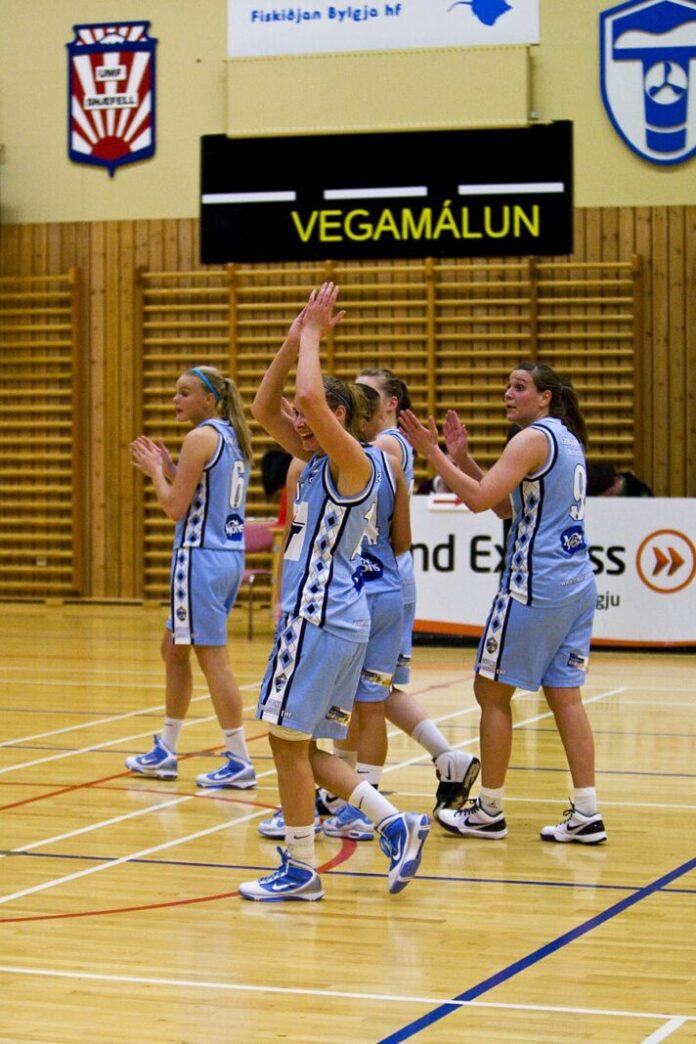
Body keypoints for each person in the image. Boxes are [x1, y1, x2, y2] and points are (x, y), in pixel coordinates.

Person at [239, 283, 430, 902]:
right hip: (330, 616)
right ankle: (391, 822)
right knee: (295, 742)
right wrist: (292, 338)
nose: (298, 421)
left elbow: (306, 396)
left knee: (285, 739)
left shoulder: (358, 462)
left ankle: (302, 867)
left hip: (320, 616)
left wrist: (316, 336)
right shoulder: (319, 459)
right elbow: (265, 405)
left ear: (339, 417)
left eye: (311, 417)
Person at [399, 363, 607, 845]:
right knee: (566, 696)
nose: (507, 393)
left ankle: (488, 809)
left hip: (536, 584)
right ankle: (587, 812)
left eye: (519, 387)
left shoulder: (531, 439)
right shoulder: (566, 439)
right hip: (576, 583)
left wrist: (433, 454)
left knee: (490, 692)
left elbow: (477, 501)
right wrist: (463, 459)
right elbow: (506, 506)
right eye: (508, 386)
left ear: (545, 397)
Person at [125, 365, 257, 790]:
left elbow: (175, 508)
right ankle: (166, 748)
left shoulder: (200, 438)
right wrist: (172, 468)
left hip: (199, 557)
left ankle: (239, 758)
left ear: (209, 399)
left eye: (184, 393)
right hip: (227, 556)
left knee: (212, 658)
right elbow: (204, 493)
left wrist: (155, 472)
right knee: (173, 648)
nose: (175, 400)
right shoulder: (232, 436)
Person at [356, 368, 480, 813]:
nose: (356, 398)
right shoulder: (387, 443)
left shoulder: (387, 445)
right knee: (372, 689)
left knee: (368, 691)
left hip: (382, 573)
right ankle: (447, 757)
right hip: (383, 572)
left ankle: (360, 793)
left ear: (391, 403)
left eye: (367, 392)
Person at [586, 460, 654, 497]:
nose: (610, 500)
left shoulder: (638, 491)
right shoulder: (591, 491)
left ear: (617, 480)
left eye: (610, 494)